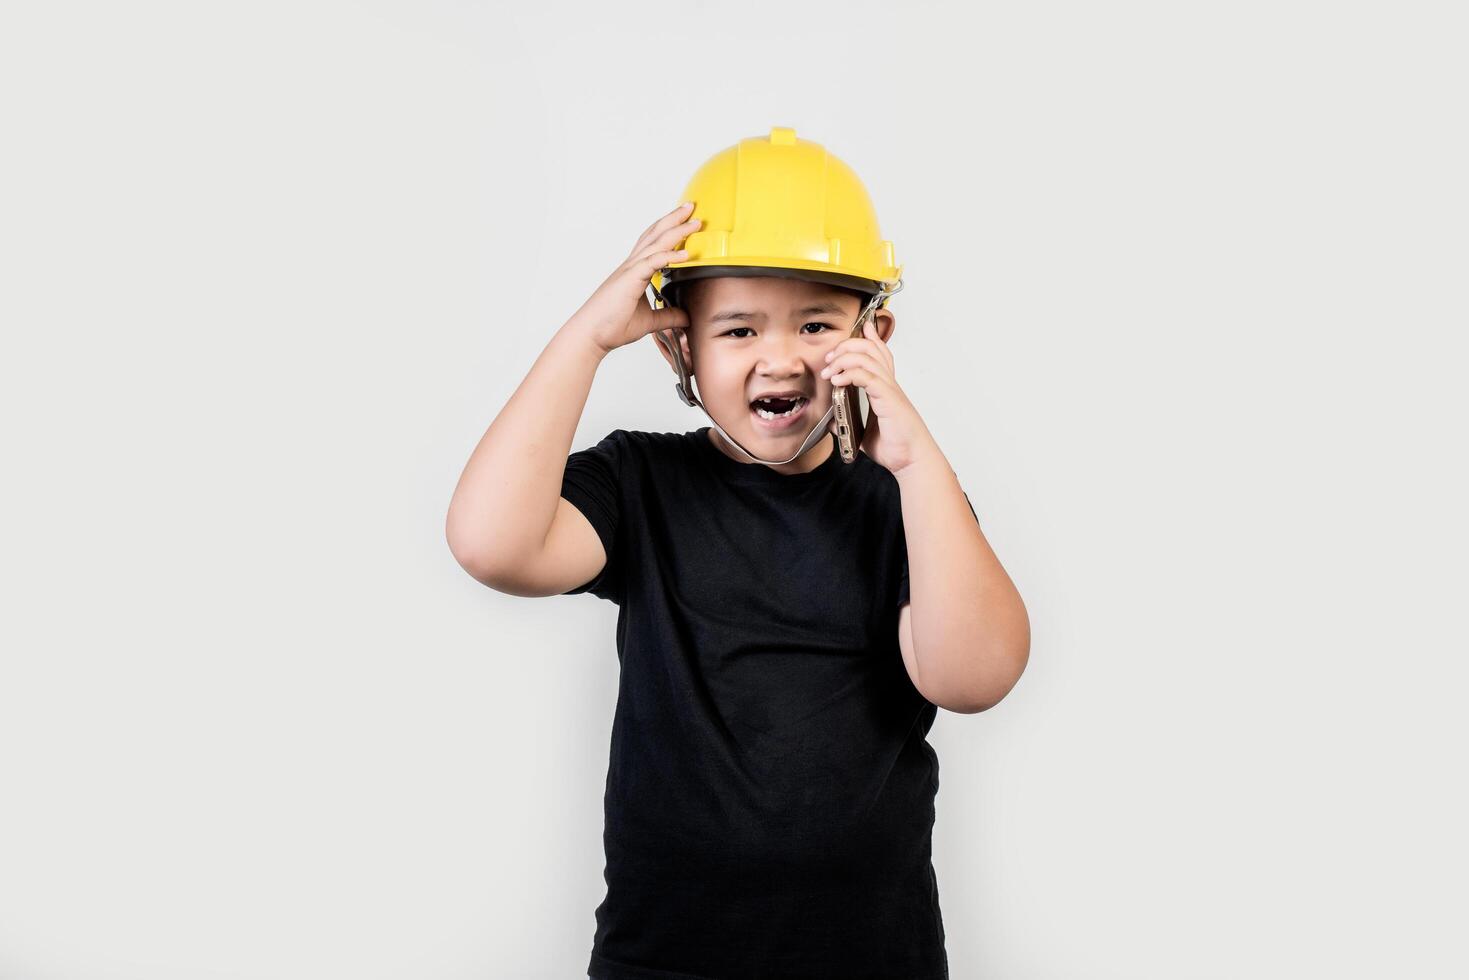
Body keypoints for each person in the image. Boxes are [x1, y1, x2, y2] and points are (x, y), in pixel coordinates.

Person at [445, 128, 1030, 980]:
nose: (779, 356)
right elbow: (490, 545)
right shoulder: (644, 483)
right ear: (677, 346)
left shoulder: (909, 505)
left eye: (817, 323)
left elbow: (973, 678)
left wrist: (917, 465)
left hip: (871, 959)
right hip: (667, 958)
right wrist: (586, 336)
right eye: (738, 329)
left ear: (876, 335)